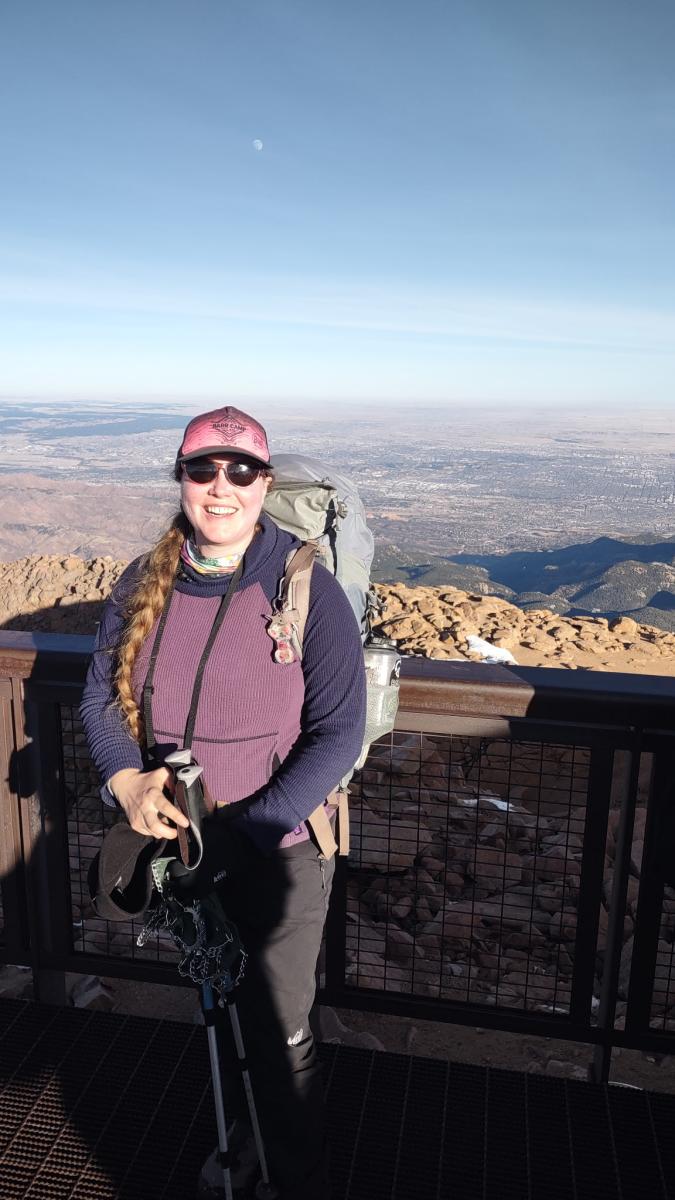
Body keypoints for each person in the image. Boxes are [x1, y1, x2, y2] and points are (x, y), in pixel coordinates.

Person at [80, 405, 367, 1200]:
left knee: (281, 1033)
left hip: (277, 853)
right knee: (221, 1004)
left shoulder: (304, 586)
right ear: (180, 478)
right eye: (203, 469)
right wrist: (124, 781)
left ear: (263, 484)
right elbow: (103, 700)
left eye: (240, 471)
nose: (221, 486)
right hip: (185, 843)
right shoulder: (146, 579)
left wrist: (255, 829)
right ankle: (244, 1144)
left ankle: (294, 1180)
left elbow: (338, 730)